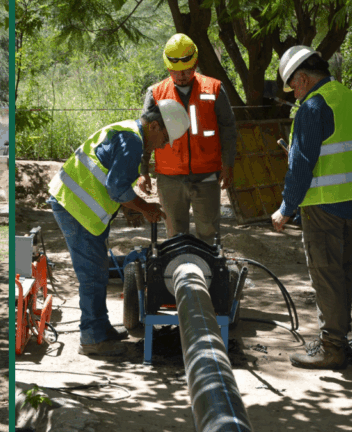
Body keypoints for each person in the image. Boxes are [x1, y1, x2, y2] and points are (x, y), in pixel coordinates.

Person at [47, 100, 190, 356]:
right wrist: (143, 207)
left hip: (76, 205)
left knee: (98, 271)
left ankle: (100, 329)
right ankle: (92, 339)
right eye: (165, 137)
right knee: (92, 275)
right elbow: (115, 187)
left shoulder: (128, 133)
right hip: (75, 207)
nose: (164, 145)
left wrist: (128, 205)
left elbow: (111, 176)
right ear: (155, 126)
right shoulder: (133, 142)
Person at [271, 46, 352, 370]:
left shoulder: (313, 107)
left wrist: (286, 208)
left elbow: (302, 164)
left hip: (324, 205)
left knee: (326, 275)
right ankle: (338, 339)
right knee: (342, 272)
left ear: (303, 77)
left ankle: (331, 348)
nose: (295, 95)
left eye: (294, 87)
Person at [139, 33, 237, 245]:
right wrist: (143, 171)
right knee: (175, 237)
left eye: (187, 70)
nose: (182, 75)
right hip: (169, 178)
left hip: (207, 175)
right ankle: (178, 276)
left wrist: (228, 165)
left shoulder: (215, 88)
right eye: (176, 71)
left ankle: (209, 276)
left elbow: (228, 129)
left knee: (209, 236)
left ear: (195, 64)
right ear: (168, 68)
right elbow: (146, 134)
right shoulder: (155, 92)